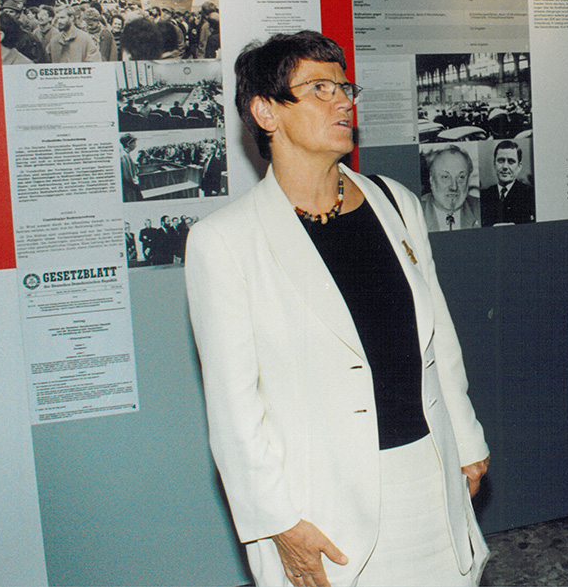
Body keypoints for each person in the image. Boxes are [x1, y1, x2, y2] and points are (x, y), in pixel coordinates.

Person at [185, 31, 490, 587]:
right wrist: (278, 524)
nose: (344, 100)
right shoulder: (224, 242)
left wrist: (467, 439)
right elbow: (234, 414)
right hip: (324, 505)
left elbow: (437, 334)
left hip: (430, 475)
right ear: (265, 112)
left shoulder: (395, 201)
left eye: (344, 85)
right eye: (319, 88)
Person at [420, 145, 481, 232]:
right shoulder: (416, 211)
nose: (454, 187)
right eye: (445, 177)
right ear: (432, 179)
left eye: (461, 177)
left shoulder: (480, 209)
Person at [480, 140, 534, 226]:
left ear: (519, 167)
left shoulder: (531, 195)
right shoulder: (484, 196)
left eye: (511, 161)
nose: (505, 167)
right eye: (501, 161)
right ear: (494, 164)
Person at [120, 134, 142, 202]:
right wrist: (136, 186)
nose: (136, 145)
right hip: (130, 188)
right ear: (129, 144)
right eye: (134, 143)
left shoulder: (125, 154)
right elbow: (128, 176)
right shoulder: (124, 156)